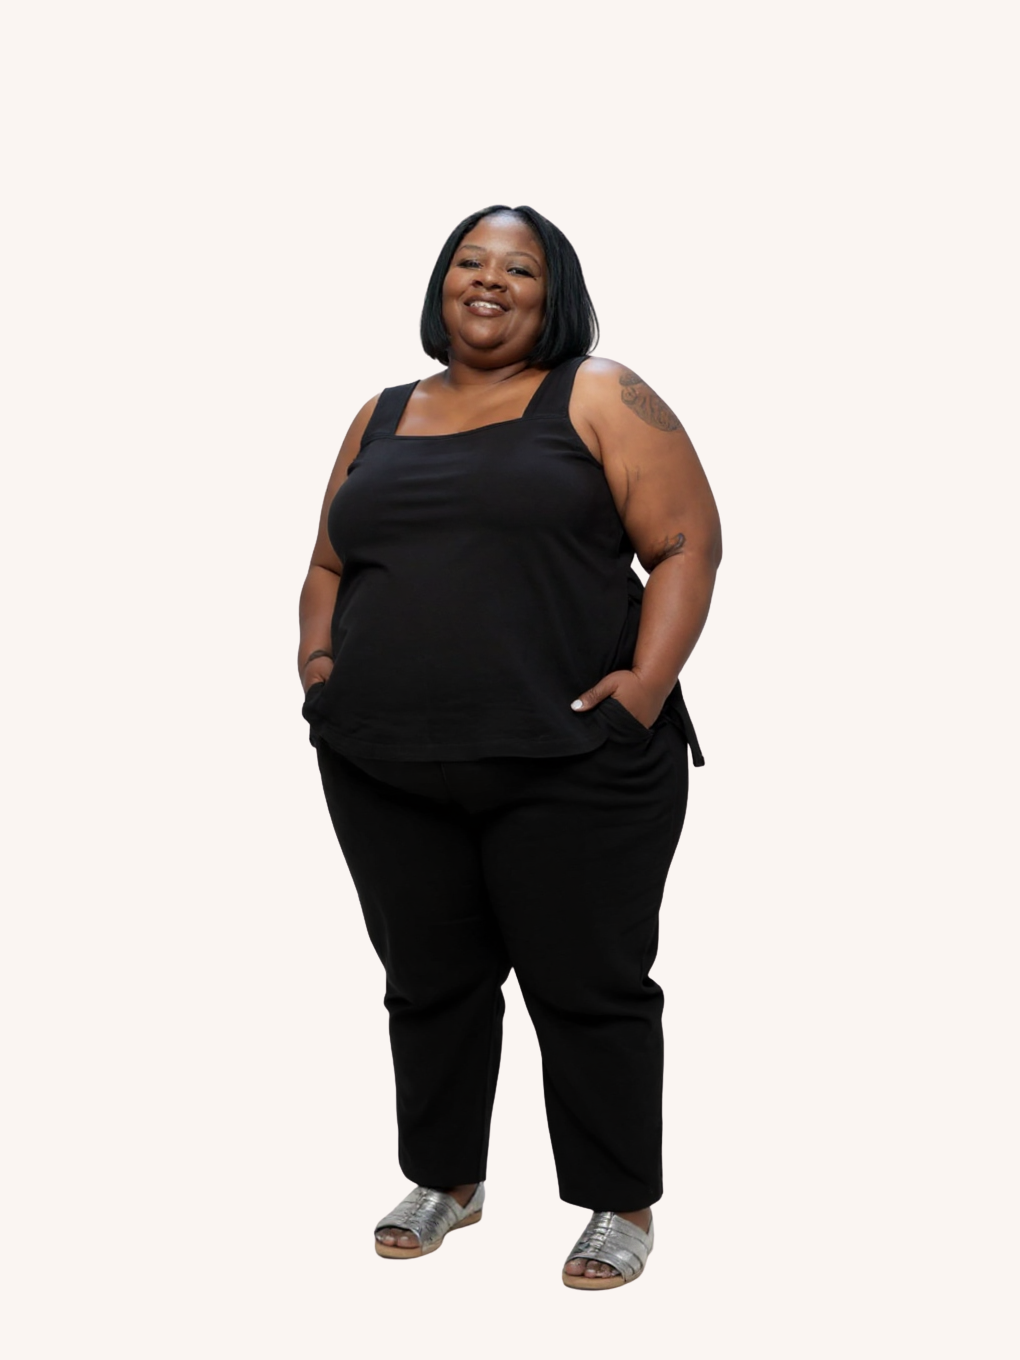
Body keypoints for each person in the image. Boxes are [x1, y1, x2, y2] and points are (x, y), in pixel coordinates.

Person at [296, 203, 722, 1289]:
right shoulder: (381, 414)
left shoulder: (597, 392)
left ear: (553, 292)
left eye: (519, 268)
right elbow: (331, 561)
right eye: (470, 261)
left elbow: (688, 543)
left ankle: (618, 1202)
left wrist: (642, 691)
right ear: (441, 283)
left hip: (573, 763)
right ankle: (446, 1179)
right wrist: (319, 666)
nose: (489, 280)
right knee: (426, 981)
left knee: (587, 985)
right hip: (384, 762)